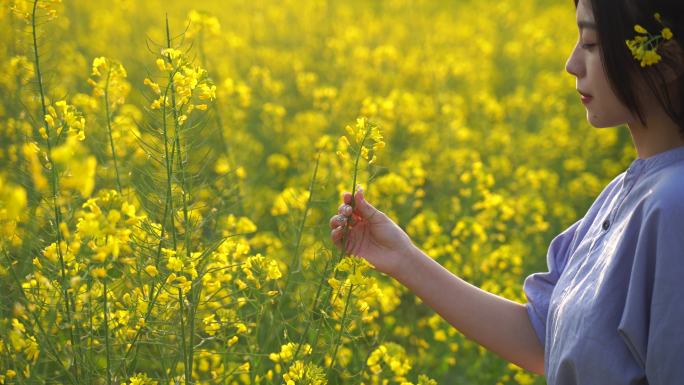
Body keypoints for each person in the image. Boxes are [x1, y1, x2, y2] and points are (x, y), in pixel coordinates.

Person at [329, 0, 684, 383]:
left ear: (665, 60)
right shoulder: (629, 192)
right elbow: (543, 339)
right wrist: (402, 258)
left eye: (592, 44)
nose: (572, 63)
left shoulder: (673, 205)